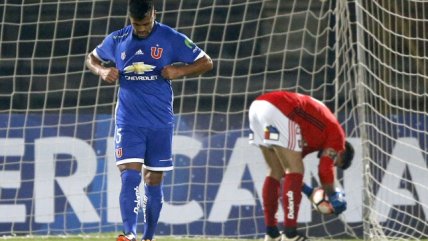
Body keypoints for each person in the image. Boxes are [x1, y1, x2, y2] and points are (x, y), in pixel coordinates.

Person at [85, 0, 213, 240]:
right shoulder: (118, 38)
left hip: (159, 121)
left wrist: (179, 71)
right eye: (136, 24)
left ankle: (148, 236)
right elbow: (91, 58)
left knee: (153, 179)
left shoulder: (170, 37)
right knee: (130, 175)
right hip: (128, 120)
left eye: (145, 24)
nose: (141, 30)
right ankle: (129, 234)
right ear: (129, 19)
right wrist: (102, 70)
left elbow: (206, 61)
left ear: (154, 13)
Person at [248, 91, 354, 241]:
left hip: (257, 107)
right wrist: (332, 195)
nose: (333, 163)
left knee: (275, 171)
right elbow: (324, 170)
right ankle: (290, 234)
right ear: (342, 152)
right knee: (296, 168)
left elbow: (288, 174)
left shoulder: (315, 138)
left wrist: (308, 191)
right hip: (280, 109)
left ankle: (271, 233)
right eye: (337, 162)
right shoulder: (338, 137)